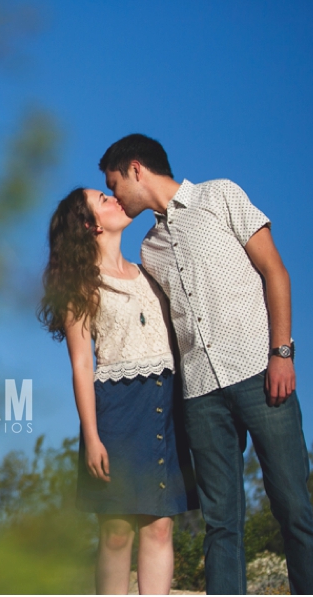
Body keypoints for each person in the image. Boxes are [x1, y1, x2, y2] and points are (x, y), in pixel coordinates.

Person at [98, 134, 313, 594]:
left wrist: (281, 353)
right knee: (221, 522)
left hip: (260, 375)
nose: (115, 194)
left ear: (137, 169)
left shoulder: (220, 194)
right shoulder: (149, 249)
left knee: (292, 507)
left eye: (114, 182)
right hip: (200, 395)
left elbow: (275, 272)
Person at [38, 187, 198, 594]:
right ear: (90, 225)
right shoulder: (81, 285)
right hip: (115, 410)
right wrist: (91, 436)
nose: (115, 199)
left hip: (165, 403)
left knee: (160, 527)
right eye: (102, 200)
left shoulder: (149, 269)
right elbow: (81, 364)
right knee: (116, 531)